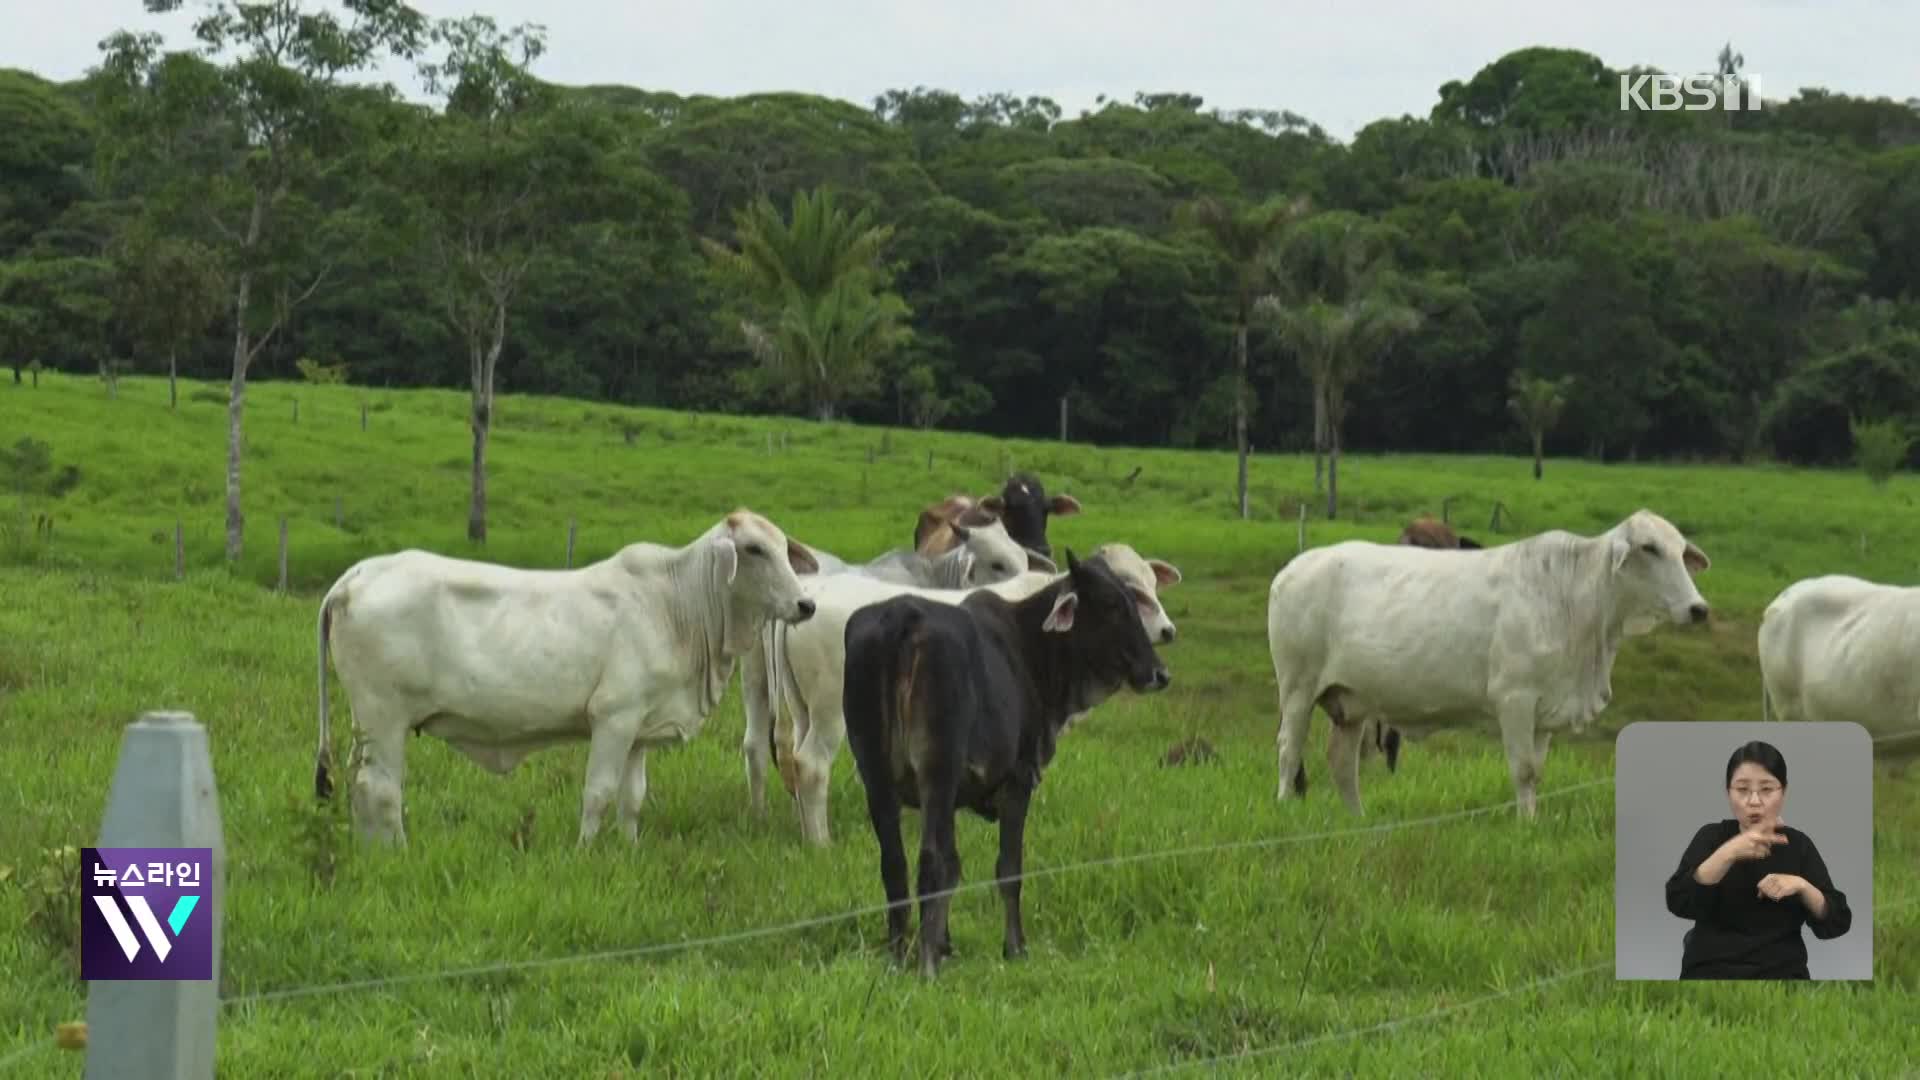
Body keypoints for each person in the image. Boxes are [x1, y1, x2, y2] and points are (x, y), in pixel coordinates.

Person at [1664, 740, 1853, 979]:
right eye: (1742, 790)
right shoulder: (1712, 836)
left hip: (1783, 975)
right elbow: (1678, 901)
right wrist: (1728, 852)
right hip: (1710, 970)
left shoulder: (1798, 845)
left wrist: (1801, 886)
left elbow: (1838, 920)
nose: (1754, 801)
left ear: (1783, 792)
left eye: (1766, 789)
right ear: (1728, 791)